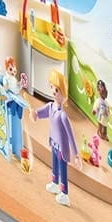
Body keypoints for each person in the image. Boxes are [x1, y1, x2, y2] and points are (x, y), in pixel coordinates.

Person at [34, 69, 79, 207]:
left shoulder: (63, 116)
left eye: (57, 89)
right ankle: (54, 183)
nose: (54, 91)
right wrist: (35, 114)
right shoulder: (51, 106)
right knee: (54, 165)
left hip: (62, 149)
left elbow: (71, 135)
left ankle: (64, 193)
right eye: (52, 87)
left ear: (63, 94)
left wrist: (76, 154)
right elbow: (41, 112)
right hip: (53, 143)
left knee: (62, 169)